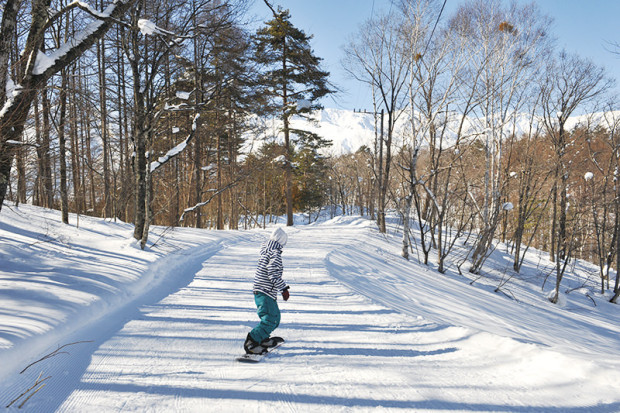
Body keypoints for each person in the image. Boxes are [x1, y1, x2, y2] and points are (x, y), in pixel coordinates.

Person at [244, 227, 290, 355]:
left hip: (264, 291)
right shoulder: (274, 253)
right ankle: (251, 342)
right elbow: (273, 274)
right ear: (282, 242)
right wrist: (284, 289)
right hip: (265, 292)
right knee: (271, 319)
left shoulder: (267, 251)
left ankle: (262, 339)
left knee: (275, 317)